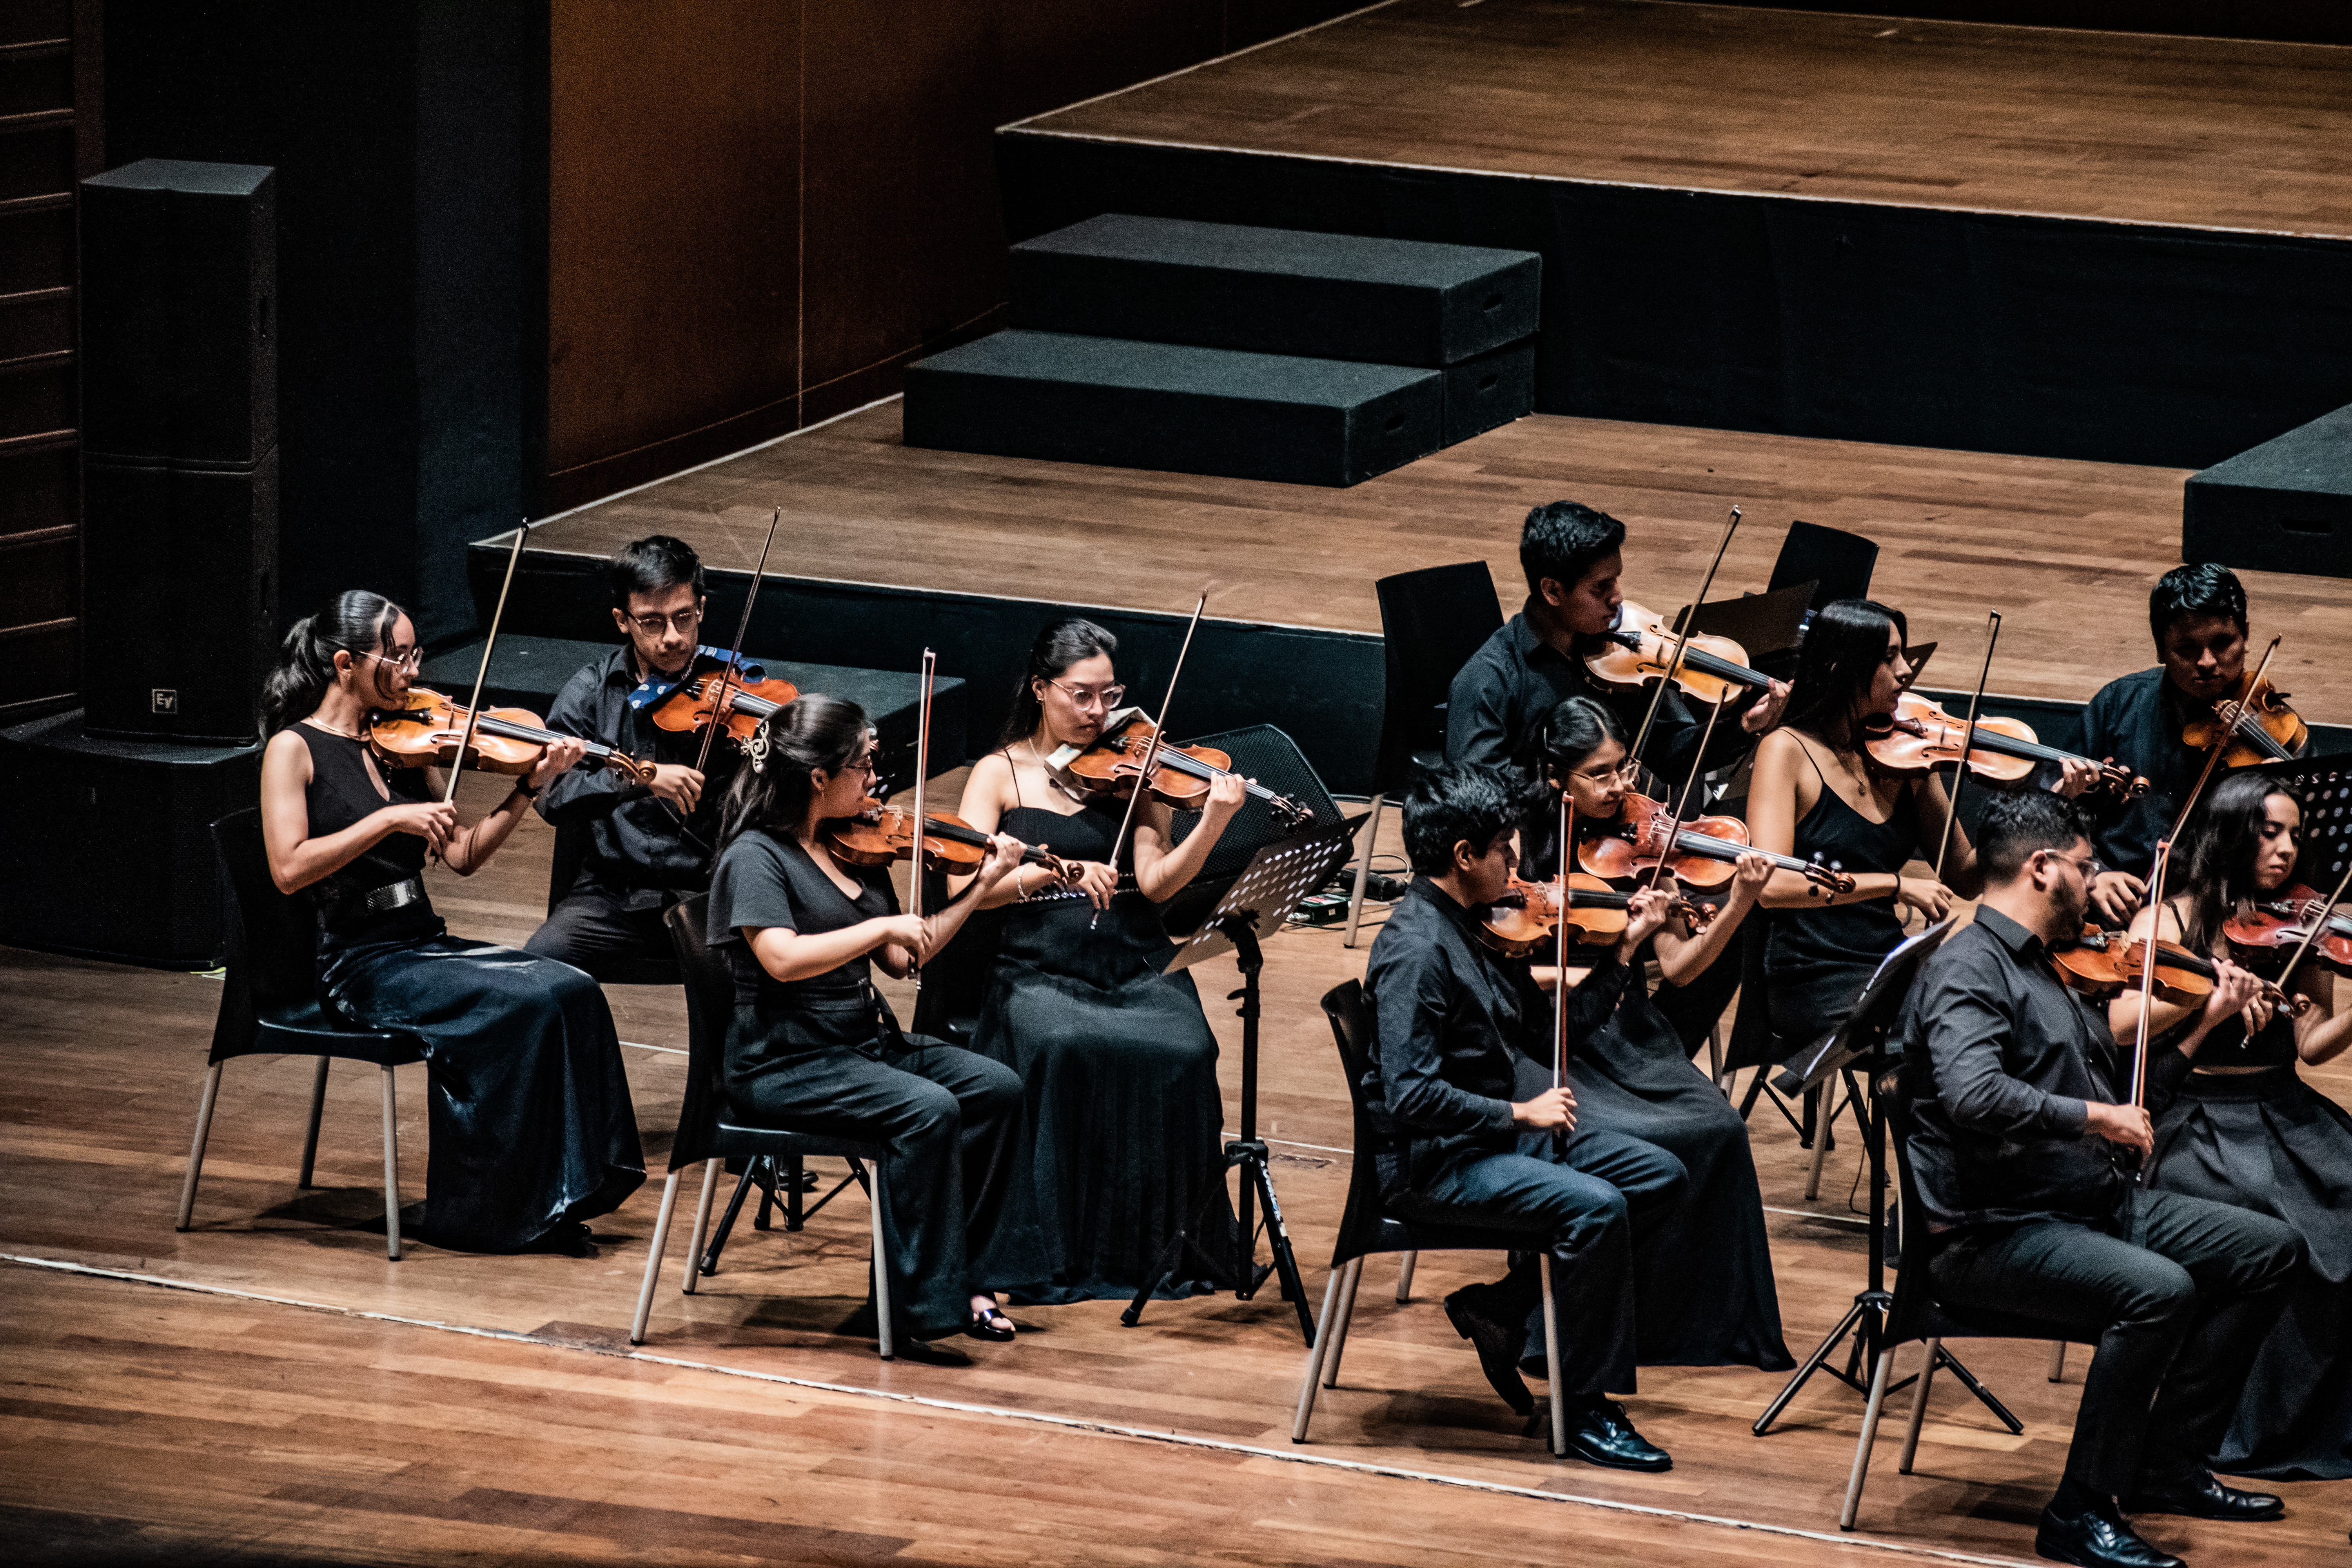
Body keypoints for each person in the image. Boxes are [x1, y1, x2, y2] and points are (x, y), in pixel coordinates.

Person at [1904, 789, 2302, 1568]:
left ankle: (2165, 1465)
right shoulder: (1968, 967)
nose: (2098, 884)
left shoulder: (2054, 965)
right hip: (1993, 1230)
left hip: (2083, 1201)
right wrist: (2094, 1117)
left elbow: (2133, 1099)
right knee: (2158, 1290)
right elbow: (1970, 1093)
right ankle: (2080, 1509)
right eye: (2086, 868)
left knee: (2271, 1249)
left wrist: (2206, 1021)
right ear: (2042, 867)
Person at [256, 590, 644, 1256]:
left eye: (416, 654)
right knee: (519, 1004)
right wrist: (387, 819)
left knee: (569, 985)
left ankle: (565, 1191)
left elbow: (461, 854)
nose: (413, 672)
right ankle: (484, 1212)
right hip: (359, 963)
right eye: (398, 657)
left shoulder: (406, 742)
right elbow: (289, 869)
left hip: (419, 942)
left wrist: (529, 788)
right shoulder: (295, 751)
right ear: (346, 665)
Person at [1365, 761, 1689, 1469]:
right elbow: (1410, 1096)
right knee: (1597, 1209)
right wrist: (1519, 1111)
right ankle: (1586, 1409)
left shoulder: (1480, 926)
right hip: (1434, 1164)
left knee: (1659, 1175)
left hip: (1485, 1143)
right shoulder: (1417, 952)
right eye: (1506, 850)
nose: (1516, 866)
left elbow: (1549, 1034)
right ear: (1464, 857)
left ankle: (1503, 1310)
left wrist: (1626, 950)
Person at [707, 694, 1047, 1364]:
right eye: (864, 765)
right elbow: (779, 959)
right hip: (784, 1062)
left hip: (860, 1046)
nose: (875, 780)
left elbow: (903, 957)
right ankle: (912, 1307)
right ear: (817, 778)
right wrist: (876, 926)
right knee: (927, 1112)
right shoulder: (756, 857)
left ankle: (971, 1278)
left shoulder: (858, 847)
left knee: (997, 1088)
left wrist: (982, 885)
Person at [951, 618, 1247, 1302]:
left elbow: (1159, 881)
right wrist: (1050, 874)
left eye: (1109, 696)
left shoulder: (1136, 775)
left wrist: (1212, 823)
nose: (1097, 714)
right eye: (1081, 696)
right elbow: (962, 891)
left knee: (1189, 1048)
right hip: (1038, 968)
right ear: (1040, 689)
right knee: (1059, 1044)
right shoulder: (998, 774)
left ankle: (1158, 1247)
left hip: (1137, 963)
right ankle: (1056, 1248)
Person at [1446, 499, 1789, 1052]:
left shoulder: (1619, 657)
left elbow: (1676, 755)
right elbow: (1472, 804)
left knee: (1737, 921)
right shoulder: (1490, 683)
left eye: (1617, 582)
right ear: (1552, 590)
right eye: (1600, 589)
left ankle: (1653, 1051)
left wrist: (1742, 726)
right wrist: (1562, 781)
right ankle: (1605, 1050)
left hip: (1627, 852)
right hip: (1547, 872)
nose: (1618, 599)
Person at [2109, 771, 2352, 1482]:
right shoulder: (2169, 920)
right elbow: (2124, 1026)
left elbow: (2310, 1045)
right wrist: (2207, 998)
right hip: (2198, 1118)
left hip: (2284, 1108)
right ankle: (2240, 1427)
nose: (2284, 850)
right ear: (2232, 831)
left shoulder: (2304, 919)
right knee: (2272, 1228)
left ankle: (2321, 1417)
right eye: (2269, 832)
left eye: (2295, 837)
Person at [1534, 697, 1790, 1370]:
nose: (1621, 789)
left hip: (1627, 1026)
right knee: (1656, 1141)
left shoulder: (1647, 845)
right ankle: (1609, 1322)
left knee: (1722, 1129)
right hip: (1557, 1032)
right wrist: (1596, 958)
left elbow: (1679, 968)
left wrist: (1736, 901)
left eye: (1625, 769)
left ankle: (1703, 1329)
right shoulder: (1520, 841)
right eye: (1600, 775)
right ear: (1557, 777)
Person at [1749, 599, 1989, 1051]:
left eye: (1904, 656)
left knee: (1990, 1016)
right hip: (1815, 975)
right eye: (1889, 658)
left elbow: (1965, 876)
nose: (1905, 671)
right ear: (1842, 666)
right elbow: (1772, 885)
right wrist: (1893, 885)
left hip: (1889, 965)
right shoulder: (1786, 750)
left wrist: (2022, 816)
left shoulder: (1904, 755)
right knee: (1940, 1037)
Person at [525, 534, 754, 979]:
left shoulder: (736, 691)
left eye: (683, 618)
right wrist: (639, 778)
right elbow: (550, 795)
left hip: (712, 896)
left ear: (701, 609)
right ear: (622, 621)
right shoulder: (591, 692)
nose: (672, 638)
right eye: (652, 622)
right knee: (539, 966)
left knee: (761, 977)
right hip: (616, 896)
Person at [2080, 564, 2304, 927]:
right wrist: (2093, 872)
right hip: (2111, 910)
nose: (2207, 662)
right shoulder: (2115, 706)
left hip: (2223, 922)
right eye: (2186, 649)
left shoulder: (2277, 731)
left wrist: (2279, 794)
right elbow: (2055, 811)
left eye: (2222, 643)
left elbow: (2305, 854)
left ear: (2245, 635)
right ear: (2160, 648)